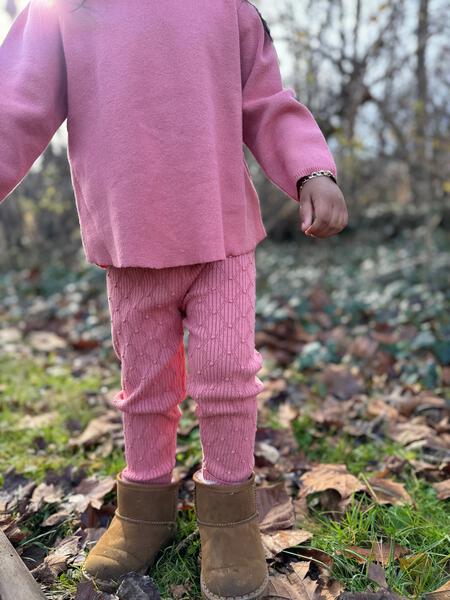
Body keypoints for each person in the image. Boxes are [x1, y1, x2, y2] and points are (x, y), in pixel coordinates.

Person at [0, 0, 348, 597]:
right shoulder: (63, 8)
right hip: (130, 235)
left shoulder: (225, 6)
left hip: (220, 233)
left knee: (227, 371)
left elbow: (265, 100)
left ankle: (229, 514)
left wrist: (311, 169)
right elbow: (16, 105)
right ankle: (145, 508)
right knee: (146, 382)